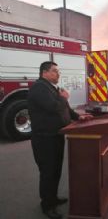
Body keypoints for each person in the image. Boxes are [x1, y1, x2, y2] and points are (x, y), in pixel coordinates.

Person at [28, 61, 93, 219]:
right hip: (44, 139)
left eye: (58, 71)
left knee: (56, 170)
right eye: (54, 71)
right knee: (48, 172)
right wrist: (64, 98)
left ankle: (53, 198)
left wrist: (79, 116)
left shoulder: (52, 88)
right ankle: (47, 206)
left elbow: (65, 109)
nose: (58, 74)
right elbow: (53, 107)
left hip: (57, 135)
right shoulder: (38, 88)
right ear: (44, 73)